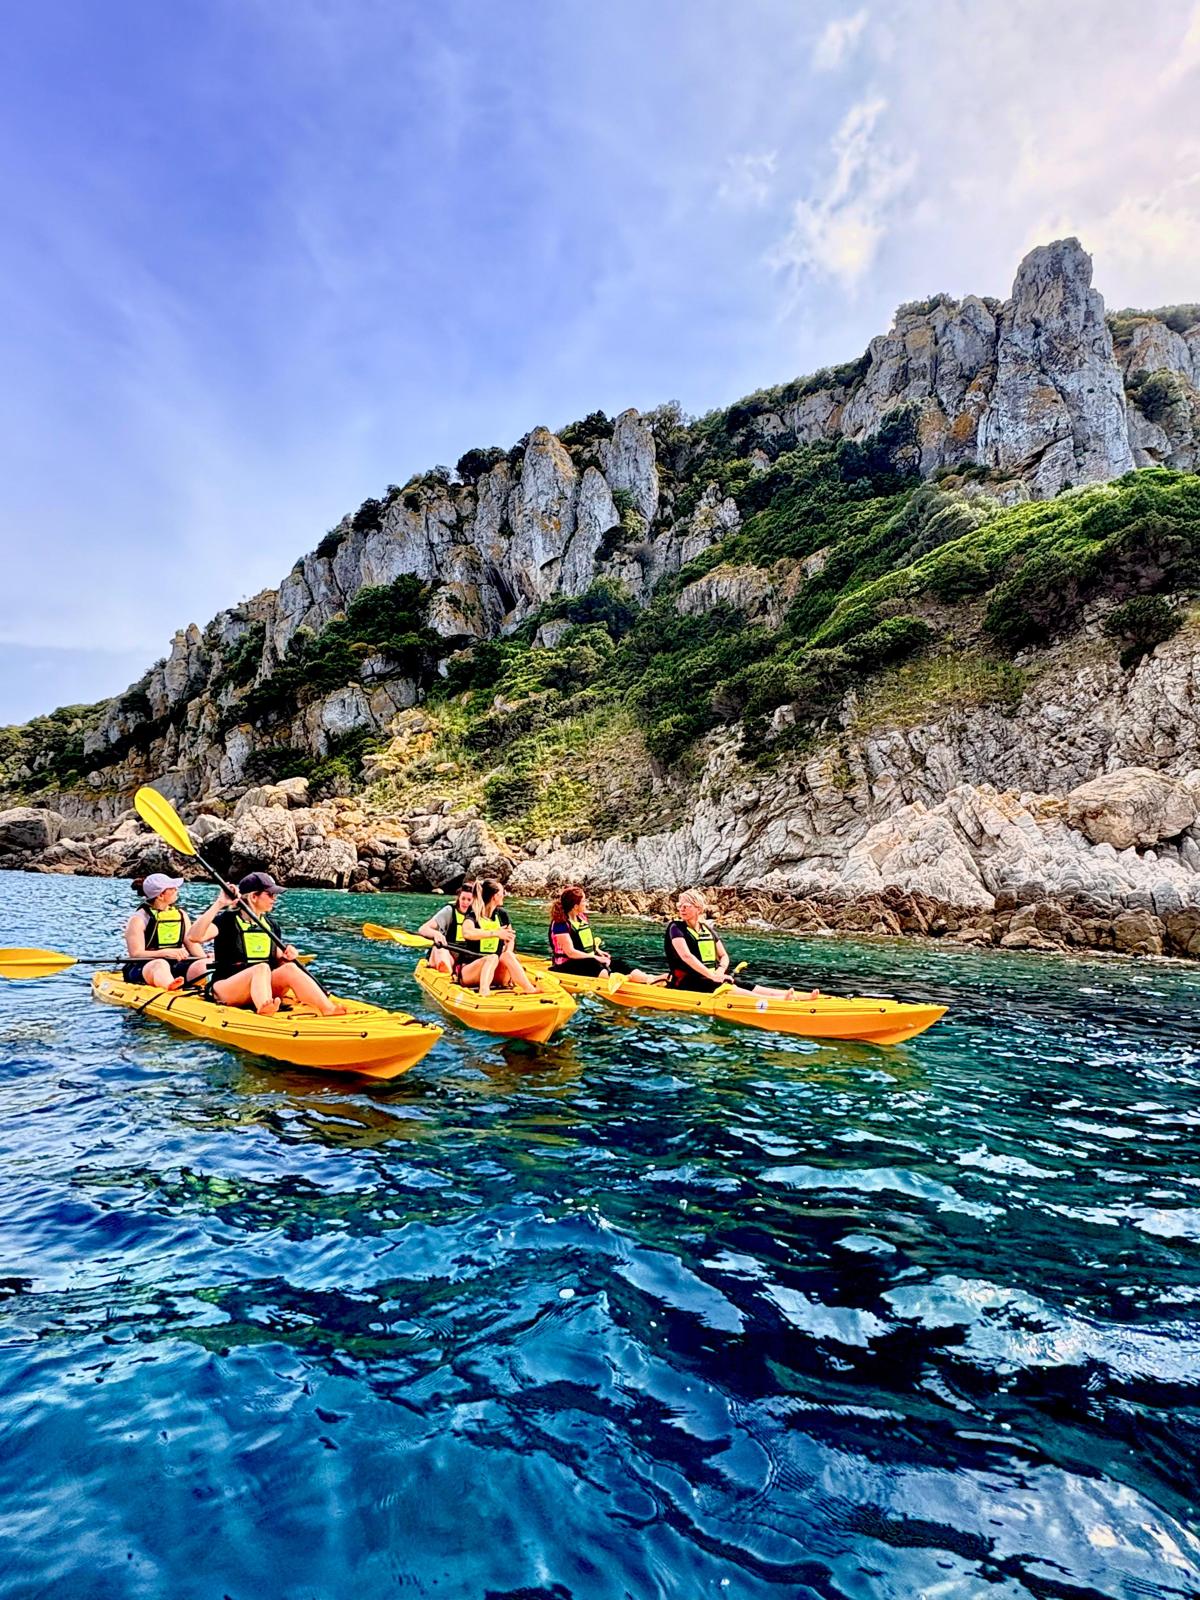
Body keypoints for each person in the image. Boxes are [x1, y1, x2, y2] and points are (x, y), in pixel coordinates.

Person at [209, 871, 345, 1017]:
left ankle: (327, 1008)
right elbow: (193, 937)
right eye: (270, 894)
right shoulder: (226, 921)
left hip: (261, 987)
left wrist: (288, 956)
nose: (274, 898)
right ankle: (265, 1010)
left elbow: (278, 959)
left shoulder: (271, 925)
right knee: (260, 968)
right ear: (254, 896)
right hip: (227, 989)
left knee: (290, 968)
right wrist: (219, 904)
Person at [664, 889, 815, 999]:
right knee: (728, 987)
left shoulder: (707, 930)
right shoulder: (675, 927)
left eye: (686, 905)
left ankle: (796, 996)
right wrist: (712, 976)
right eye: (680, 905)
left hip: (709, 978)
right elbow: (686, 956)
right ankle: (778, 1000)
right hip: (685, 982)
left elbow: (723, 955)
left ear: (698, 908)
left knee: (745, 984)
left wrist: (720, 971)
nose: (681, 909)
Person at [548, 885, 661, 983]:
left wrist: (598, 952)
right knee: (594, 965)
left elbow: (585, 943)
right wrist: (594, 957)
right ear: (575, 906)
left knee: (617, 963)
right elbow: (571, 953)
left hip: (586, 959)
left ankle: (650, 979)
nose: (586, 903)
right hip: (565, 965)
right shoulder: (560, 924)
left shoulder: (581, 918)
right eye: (584, 901)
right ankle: (618, 979)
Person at [123, 873, 214, 990]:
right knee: (161, 964)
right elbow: (136, 954)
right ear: (161, 895)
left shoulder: (181, 915)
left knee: (204, 964)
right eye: (172, 888)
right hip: (146, 966)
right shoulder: (138, 919)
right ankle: (170, 987)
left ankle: (213, 986)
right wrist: (164, 953)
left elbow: (191, 943)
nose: (177, 889)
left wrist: (204, 958)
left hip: (175, 965)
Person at [457, 879, 537, 997]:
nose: (503, 895)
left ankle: (529, 989)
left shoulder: (502, 914)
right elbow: (467, 933)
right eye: (501, 893)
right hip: (471, 971)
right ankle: (484, 992)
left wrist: (508, 952)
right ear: (495, 896)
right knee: (492, 958)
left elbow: (510, 938)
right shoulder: (473, 914)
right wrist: (495, 933)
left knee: (508, 955)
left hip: (495, 972)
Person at [417, 880, 477, 976]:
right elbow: (423, 929)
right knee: (440, 949)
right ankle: (446, 976)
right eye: (463, 899)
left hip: (466, 957)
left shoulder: (477, 914)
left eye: (469, 900)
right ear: (458, 898)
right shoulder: (449, 911)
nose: (465, 903)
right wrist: (436, 934)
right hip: (448, 952)